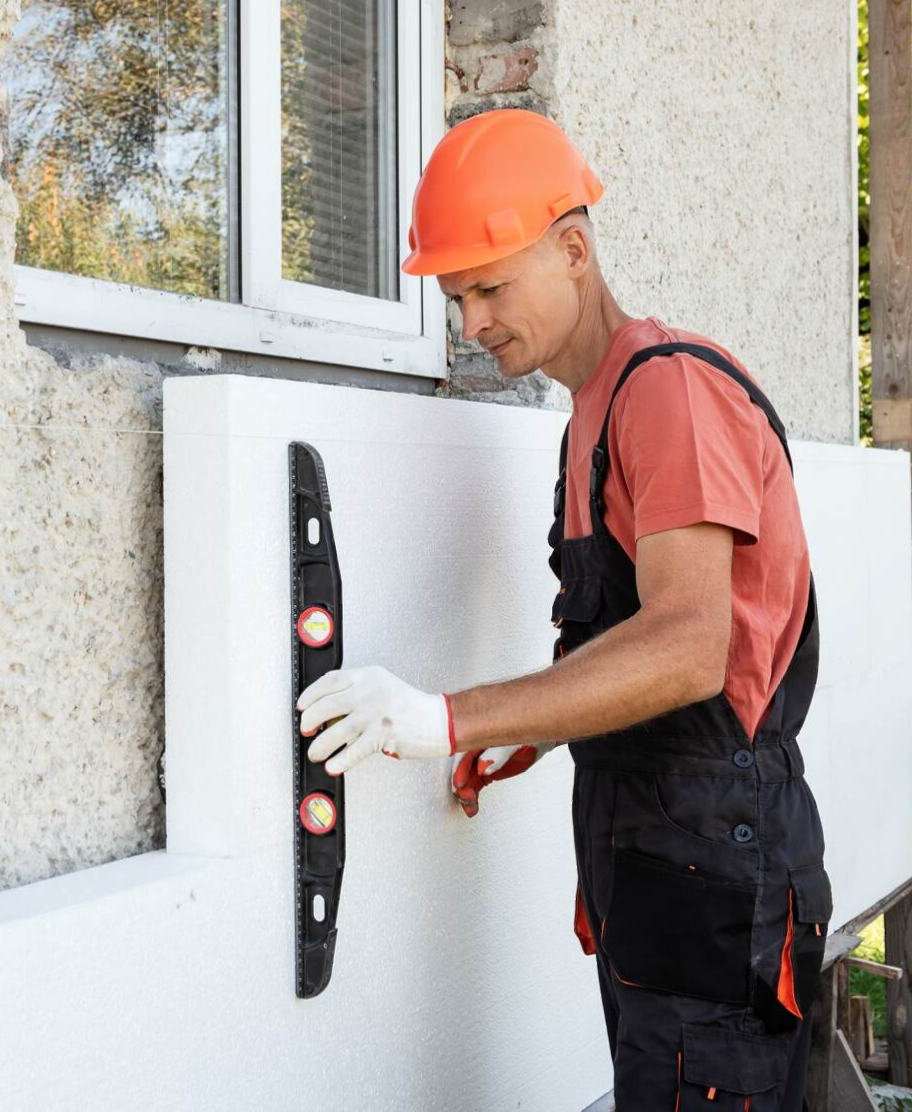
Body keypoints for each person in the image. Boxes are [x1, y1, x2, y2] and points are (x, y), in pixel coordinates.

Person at [293, 109, 833, 1110]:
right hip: (656, 858)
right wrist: (536, 730)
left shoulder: (664, 390)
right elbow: (617, 634)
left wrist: (447, 715)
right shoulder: (589, 411)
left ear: (572, 248)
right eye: (456, 298)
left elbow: (685, 646)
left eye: (489, 286)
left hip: (715, 862)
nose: (471, 323)